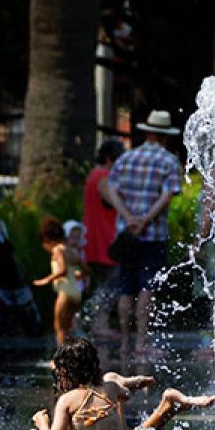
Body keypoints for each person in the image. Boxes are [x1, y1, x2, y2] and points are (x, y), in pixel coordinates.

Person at [32, 339, 215, 430]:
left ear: (65, 372)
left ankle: (131, 383)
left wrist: (42, 422)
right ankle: (127, 381)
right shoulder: (110, 388)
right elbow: (126, 396)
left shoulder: (67, 400)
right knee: (111, 382)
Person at [99, 110, 183, 356]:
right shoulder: (169, 161)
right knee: (148, 288)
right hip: (153, 234)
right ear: (165, 136)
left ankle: (125, 343)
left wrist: (128, 218)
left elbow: (111, 190)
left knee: (126, 287)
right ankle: (141, 343)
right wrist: (145, 220)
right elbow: (167, 195)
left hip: (127, 235)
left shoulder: (126, 159)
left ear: (147, 132)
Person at [81, 138, 125, 339]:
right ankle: (99, 322)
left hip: (94, 233)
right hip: (104, 236)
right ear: (109, 158)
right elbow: (114, 200)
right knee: (112, 280)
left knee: (106, 280)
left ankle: (95, 320)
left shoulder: (92, 174)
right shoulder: (103, 177)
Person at [32, 217, 83, 345]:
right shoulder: (72, 250)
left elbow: (63, 270)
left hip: (65, 292)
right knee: (68, 327)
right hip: (76, 293)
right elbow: (86, 269)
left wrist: (47, 279)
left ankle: (62, 359)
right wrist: (79, 275)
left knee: (59, 327)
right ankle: (73, 356)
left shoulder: (57, 249)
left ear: (47, 240)